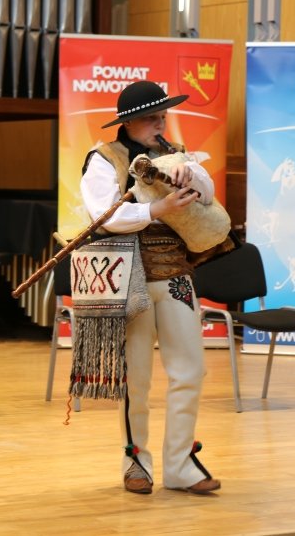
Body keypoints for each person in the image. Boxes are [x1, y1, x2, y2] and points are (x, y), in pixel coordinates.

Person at [79, 80, 222, 495]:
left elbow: (207, 196)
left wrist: (191, 172)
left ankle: (180, 465)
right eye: (151, 118)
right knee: (135, 377)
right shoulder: (103, 159)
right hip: (129, 276)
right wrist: (156, 209)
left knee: (190, 370)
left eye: (163, 116)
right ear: (127, 123)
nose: (161, 124)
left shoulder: (177, 154)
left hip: (176, 275)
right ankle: (136, 461)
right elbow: (105, 217)